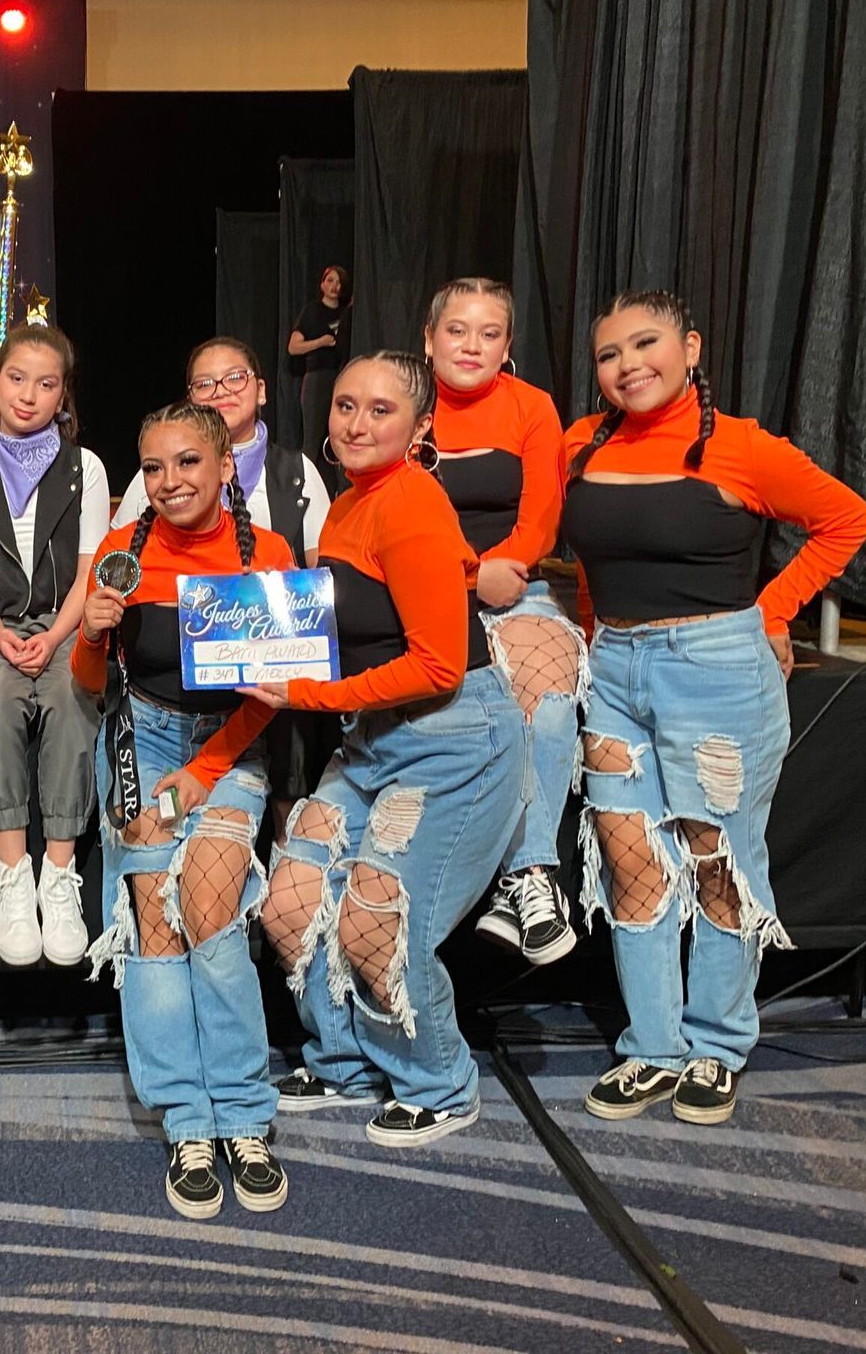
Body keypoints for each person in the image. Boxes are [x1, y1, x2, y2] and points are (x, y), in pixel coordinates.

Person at [565, 290, 866, 1126]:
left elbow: (847, 519)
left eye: (646, 344)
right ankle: (653, 1046)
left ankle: (717, 1043)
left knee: (717, 860)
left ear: (691, 347)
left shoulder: (740, 447)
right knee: (629, 860)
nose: (628, 365)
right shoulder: (581, 444)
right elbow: (591, 563)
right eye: (609, 354)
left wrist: (772, 612)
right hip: (614, 672)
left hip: (715, 671)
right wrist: (592, 637)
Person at [251, 351, 523, 1146]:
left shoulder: (408, 502)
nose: (357, 424)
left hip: (450, 740)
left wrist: (305, 693)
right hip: (373, 737)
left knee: (379, 920)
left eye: (380, 410)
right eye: (345, 406)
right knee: (293, 898)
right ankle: (344, 1062)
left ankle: (440, 1084)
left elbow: (439, 665)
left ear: (419, 426)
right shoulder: (348, 503)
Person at [76, 400, 296, 1221]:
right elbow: (92, 682)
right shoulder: (122, 551)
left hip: (229, 749)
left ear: (225, 465)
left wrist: (204, 774)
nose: (169, 481)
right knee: (154, 924)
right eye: (153, 467)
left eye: (188, 462)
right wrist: (91, 632)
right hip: (143, 742)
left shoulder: (265, 553)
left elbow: (271, 693)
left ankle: (243, 1114)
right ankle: (187, 1122)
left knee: (210, 912)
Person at [419, 278, 584, 966]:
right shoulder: (405, 404)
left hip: (516, 588)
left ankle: (527, 877)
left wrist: (496, 572)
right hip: (426, 595)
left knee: (549, 708)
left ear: (507, 345)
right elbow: (392, 516)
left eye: (489, 334)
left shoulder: (531, 406)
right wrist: (466, 576)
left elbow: (542, 516)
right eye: (457, 331)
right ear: (430, 340)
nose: (472, 346)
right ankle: (520, 878)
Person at [113, 337, 333, 838]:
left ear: (261, 389)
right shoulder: (155, 486)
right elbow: (125, 568)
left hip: (258, 698)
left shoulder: (295, 475)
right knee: (156, 841)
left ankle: (282, 846)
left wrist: (277, 618)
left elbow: (317, 578)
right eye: (204, 383)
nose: (220, 391)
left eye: (234, 378)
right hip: (163, 703)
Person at [0, 325, 103, 965]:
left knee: (70, 696)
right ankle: (14, 875)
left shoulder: (85, 467)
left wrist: (57, 636)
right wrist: (1, 635)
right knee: (1, 701)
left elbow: (90, 568)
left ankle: (58, 874)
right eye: (16, 379)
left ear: (63, 394)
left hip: (65, 623)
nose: (28, 395)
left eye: (46, 383)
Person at [288, 264, 350, 485]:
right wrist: (320, 342)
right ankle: (301, 489)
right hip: (317, 378)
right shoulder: (312, 311)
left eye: (339, 282)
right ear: (322, 284)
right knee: (312, 440)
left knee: (341, 438)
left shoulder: (347, 313)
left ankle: (341, 492)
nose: (334, 286)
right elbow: (293, 347)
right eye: (330, 280)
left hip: (343, 378)